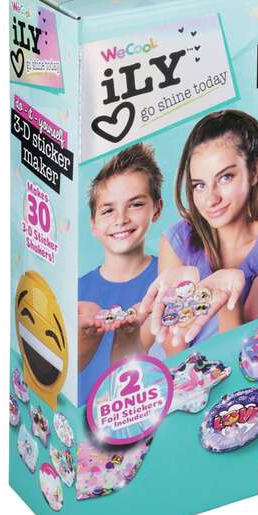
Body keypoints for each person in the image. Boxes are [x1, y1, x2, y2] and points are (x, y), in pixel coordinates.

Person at [141, 109, 258, 352]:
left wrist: (228, 292)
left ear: (255, 171)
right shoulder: (177, 240)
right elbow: (174, 350)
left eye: (225, 177)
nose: (211, 199)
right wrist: (182, 299)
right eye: (199, 185)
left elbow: (240, 347)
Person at [77, 143, 165, 404]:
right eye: (108, 210)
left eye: (135, 204)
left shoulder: (169, 279)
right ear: (93, 223)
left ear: (157, 209)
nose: (121, 219)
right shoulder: (75, 293)